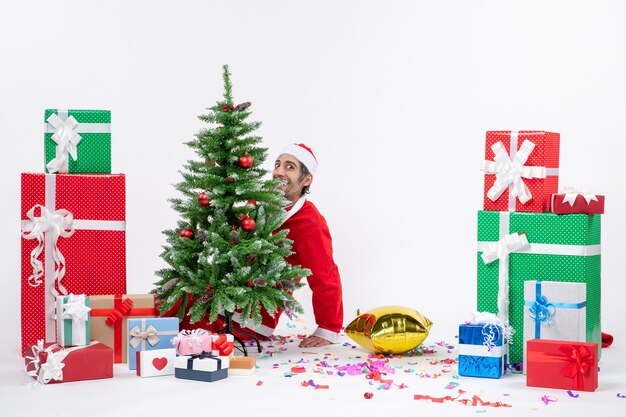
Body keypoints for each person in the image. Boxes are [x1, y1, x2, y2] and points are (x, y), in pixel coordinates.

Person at [231, 143, 344, 347]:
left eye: (290, 167)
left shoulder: (310, 222)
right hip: (221, 290)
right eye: (277, 165)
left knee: (175, 324)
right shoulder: (259, 204)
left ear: (306, 179)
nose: (279, 172)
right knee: (163, 306)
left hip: (252, 316)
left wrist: (328, 329)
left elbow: (325, 275)